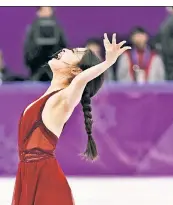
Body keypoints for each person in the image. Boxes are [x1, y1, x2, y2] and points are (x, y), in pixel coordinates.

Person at [12, 33, 130, 205]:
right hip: (28, 177)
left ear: (75, 70)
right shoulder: (48, 97)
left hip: (46, 182)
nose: (65, 50)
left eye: (74, 52)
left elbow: (81, 81)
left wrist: (108, 62)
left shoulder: (64, 98)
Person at [24, 6, 67, 81]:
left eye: (48, 10)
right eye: (44, 10)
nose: (46, 13)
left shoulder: (58, 30)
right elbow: (28, 53)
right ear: (38, 12)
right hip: (36, 71)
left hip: (55, 73)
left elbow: (63, 49)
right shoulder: (32, 30)